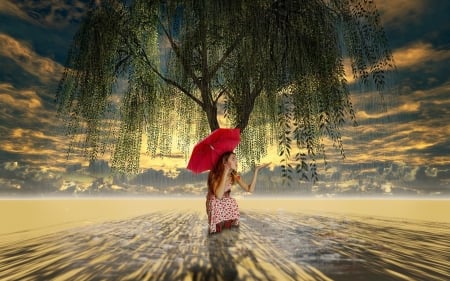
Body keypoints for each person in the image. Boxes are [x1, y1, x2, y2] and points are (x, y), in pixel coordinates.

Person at [206, 151, 270, 234]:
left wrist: (256, 171)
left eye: (236, 158)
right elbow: (218, 195)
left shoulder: (235, 175)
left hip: (225, 203)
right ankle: (218, 230)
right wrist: (225, 172)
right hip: (214, 202)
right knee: (221, 202)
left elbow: (250, 189)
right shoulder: (215, 174)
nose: (236, 161)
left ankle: (227, 231)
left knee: (231, 202)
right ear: (225, 162)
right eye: (233, 159)